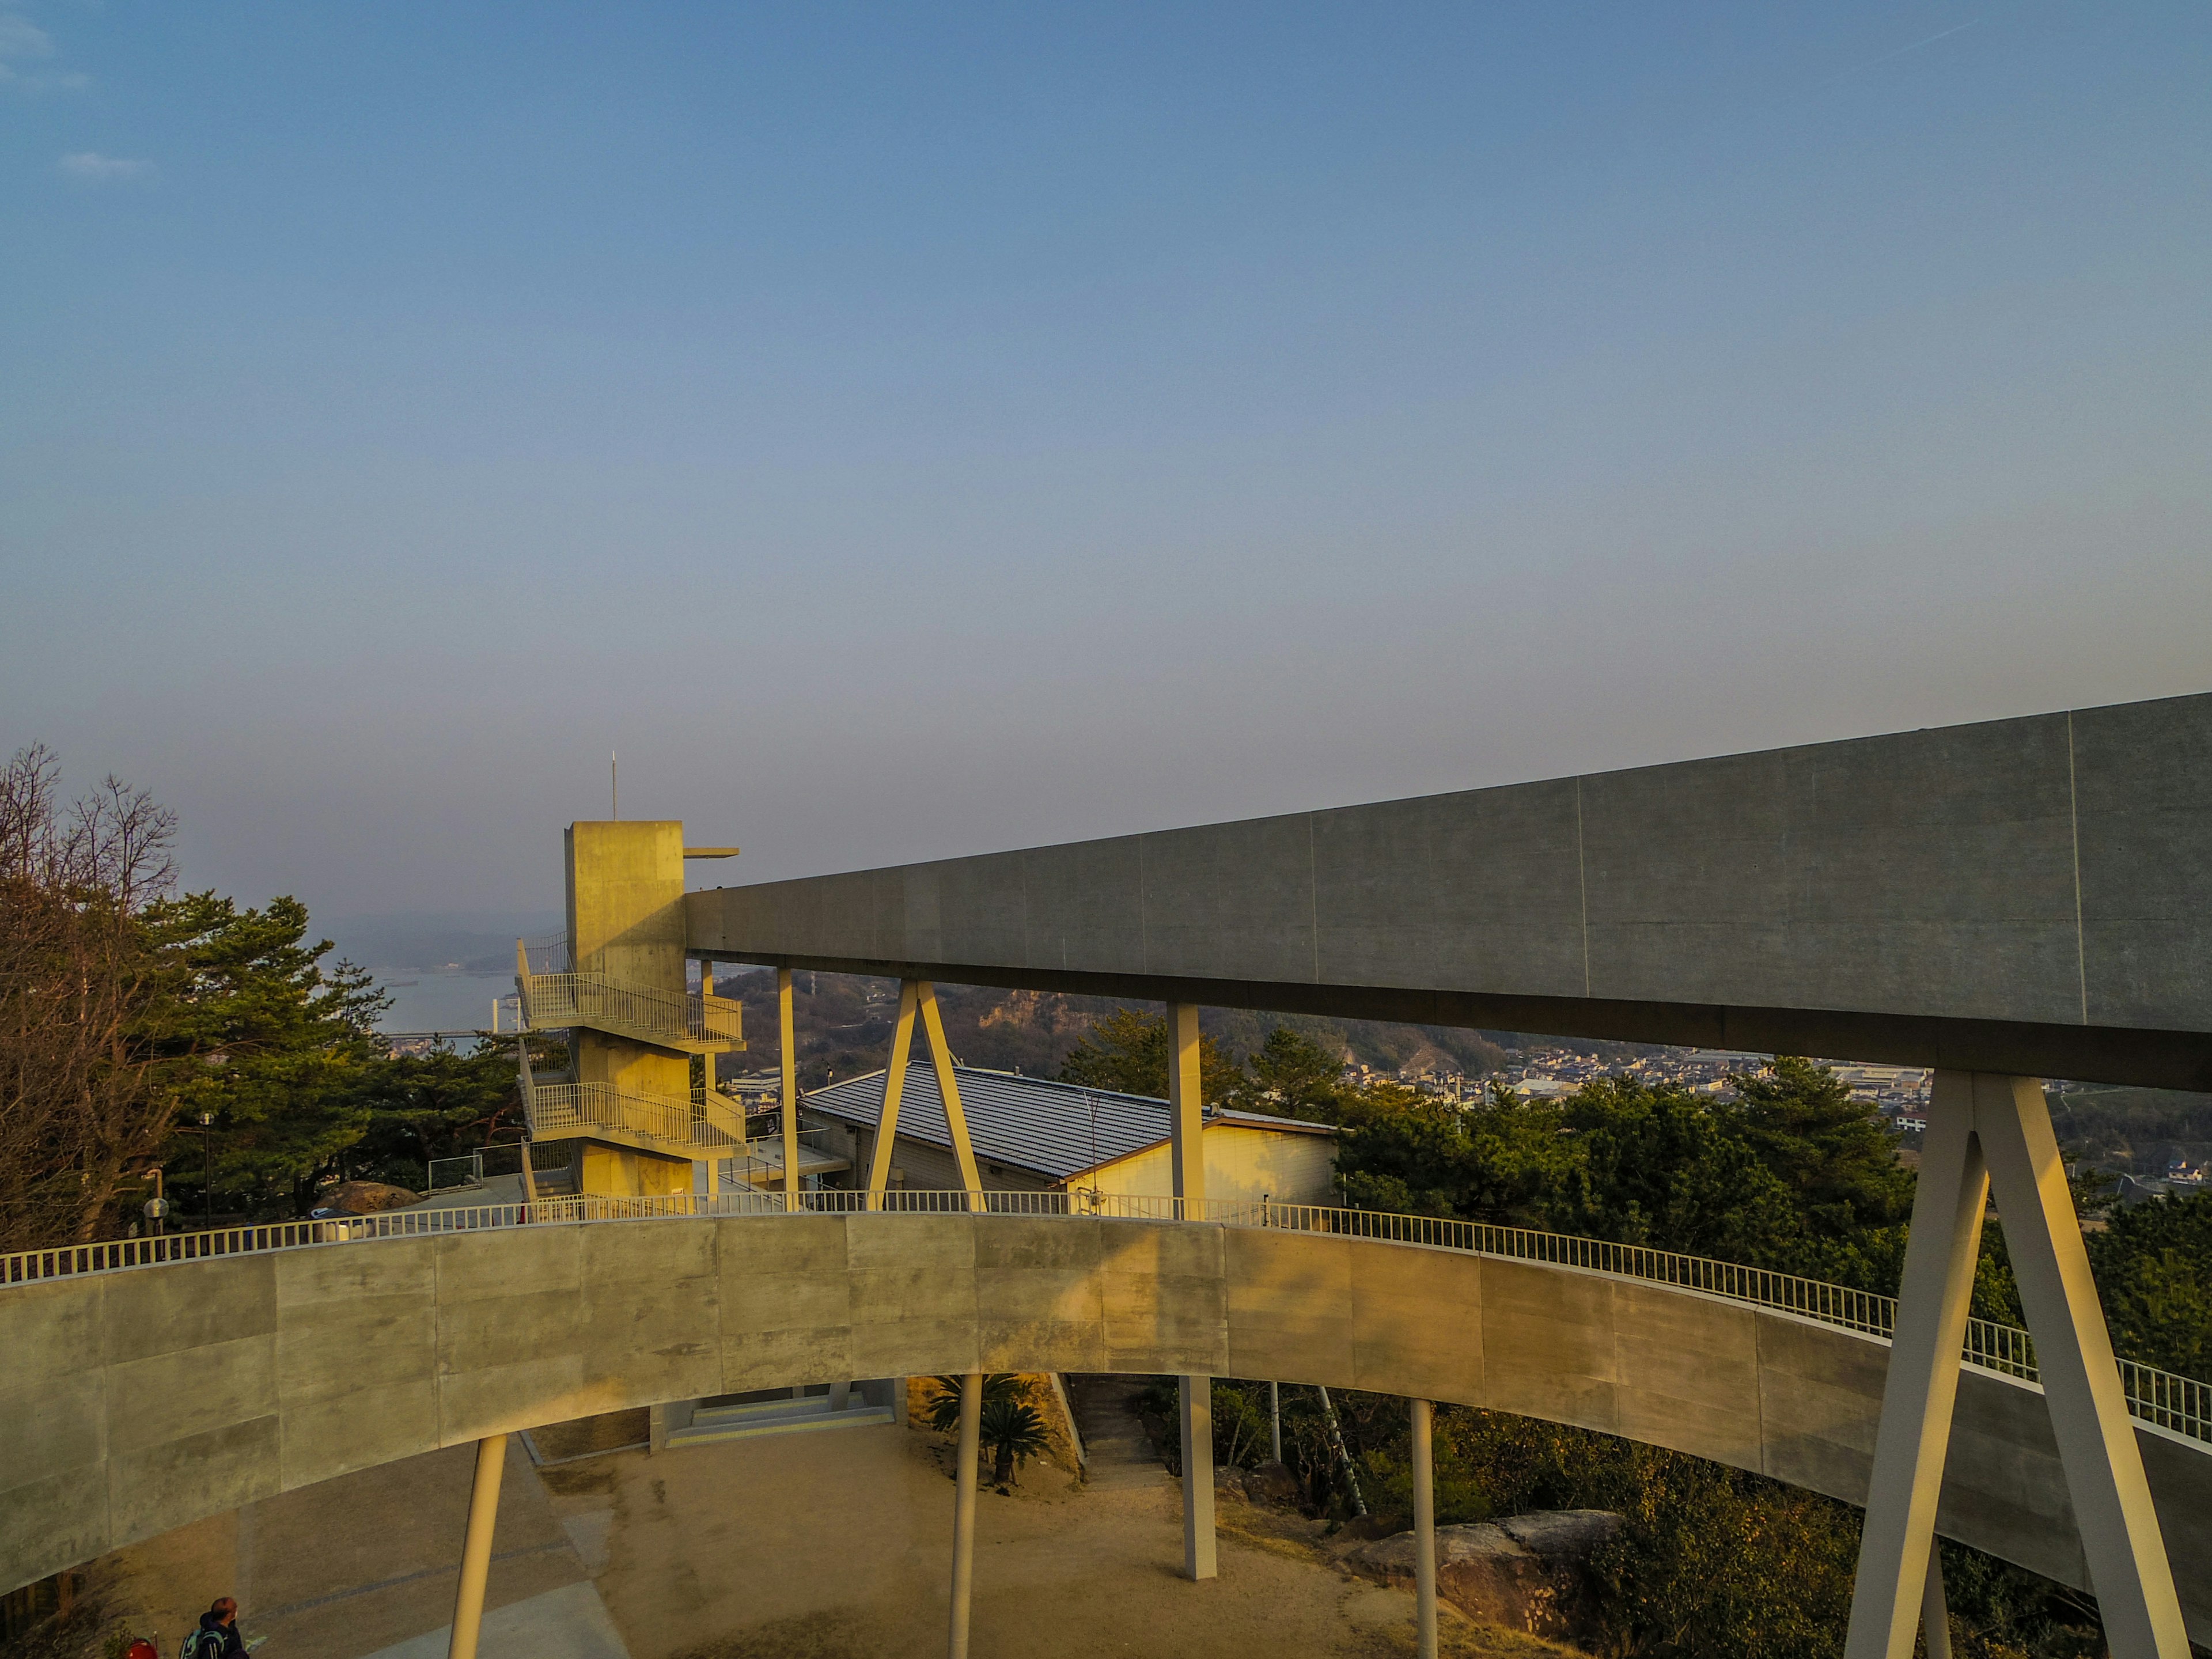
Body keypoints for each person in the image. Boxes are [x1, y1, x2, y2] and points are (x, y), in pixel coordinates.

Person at [181, 1598, 245, 1659]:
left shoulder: (231, 1629)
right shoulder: (212, 1640)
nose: (237, 1610)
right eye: (235, 1608)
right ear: (228, 1616)